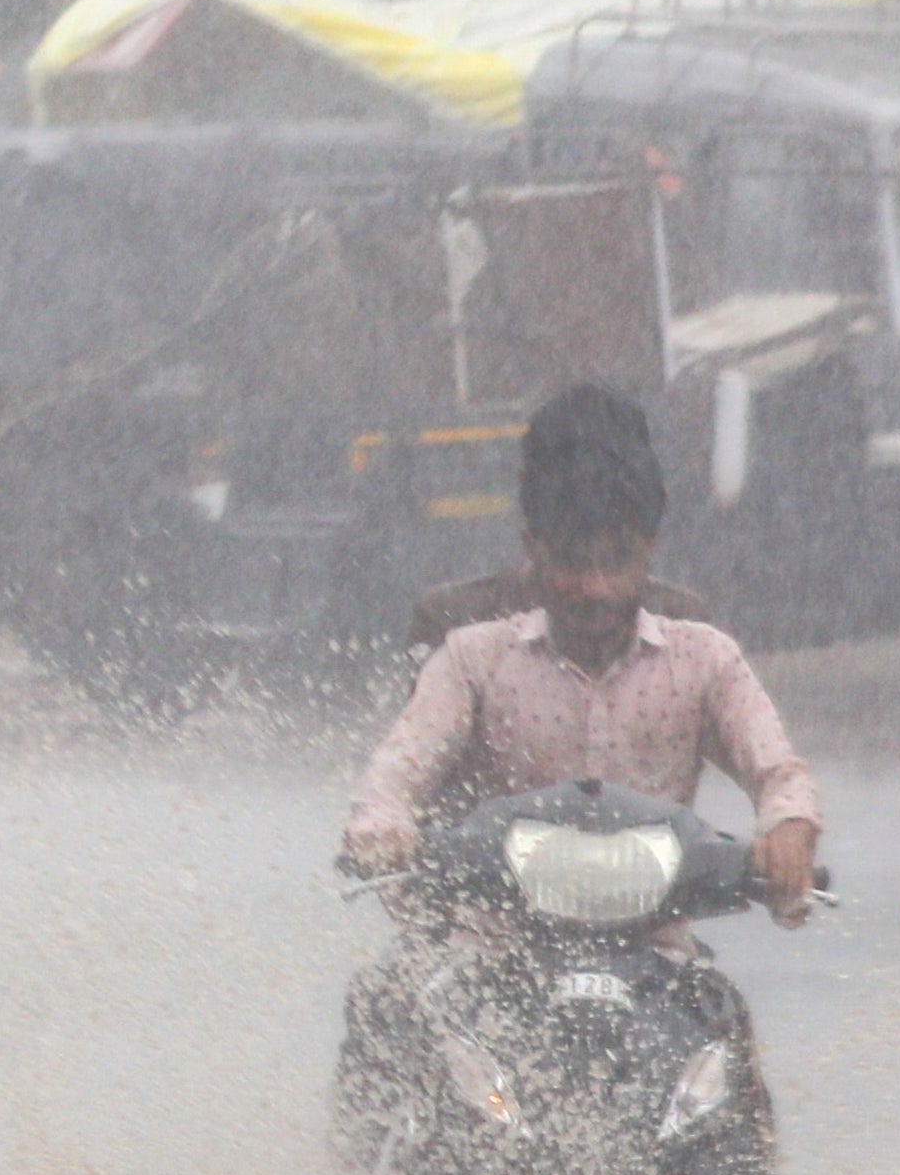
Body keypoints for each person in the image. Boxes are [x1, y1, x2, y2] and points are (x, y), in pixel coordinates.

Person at [343, 382, 822, 922]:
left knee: (716, 1005)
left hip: (654, 942)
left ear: (648, 549)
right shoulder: (469, 651)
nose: (595, 588)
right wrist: (386, 837)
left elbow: (778, 771)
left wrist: (788, 830)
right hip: (491, 932)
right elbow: (400, 777)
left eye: (617, 560)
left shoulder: (699, 652)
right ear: (535, 547)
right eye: (573, 561)